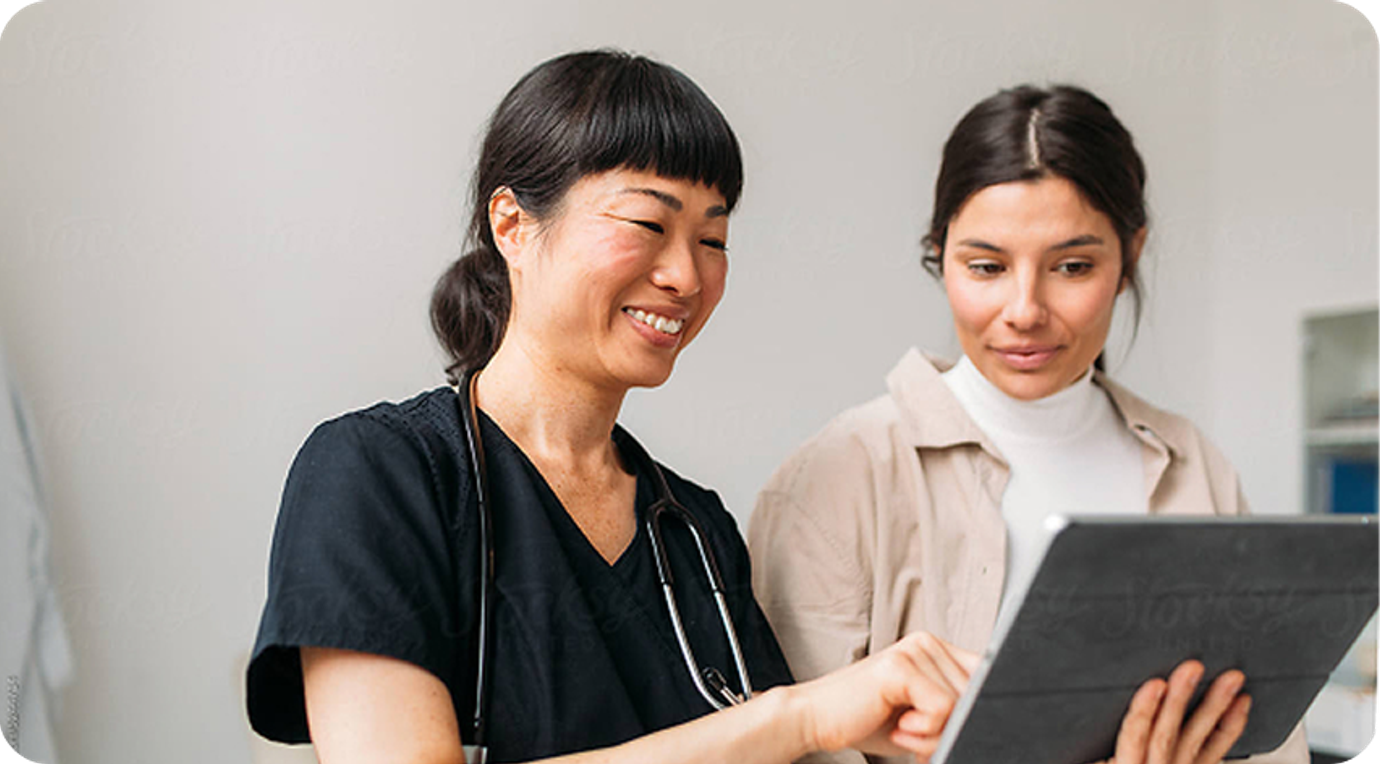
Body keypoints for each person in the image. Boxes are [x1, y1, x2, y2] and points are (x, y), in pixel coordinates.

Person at [245, 49, 977, 764]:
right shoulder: (378, 474)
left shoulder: (694, 529)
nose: (686, 275)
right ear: (512, 226)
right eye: (648, 226)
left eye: (713, 238)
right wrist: (797, 719)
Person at [748, 84, 1309, 764]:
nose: (1024, 310)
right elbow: (787, 747)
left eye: (1072, 267)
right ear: (940, 253)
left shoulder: (1193, 466)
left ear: (1130, 256)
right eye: (985, 266)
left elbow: (1269, 739)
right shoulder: (840, 474)